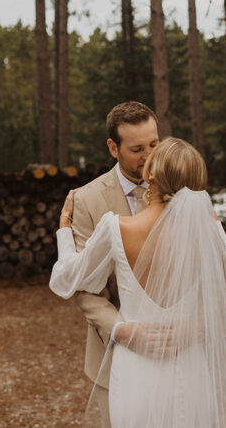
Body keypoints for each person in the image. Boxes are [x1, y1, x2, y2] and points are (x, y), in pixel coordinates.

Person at [50, 137, 226, 427]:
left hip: (136, 373)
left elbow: (64, 280)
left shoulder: (116, 228)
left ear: (151, 175)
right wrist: (214, 224)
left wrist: (64, 231)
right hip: (192, 369)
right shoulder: (205, 232)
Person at [65, 101, 161, 426]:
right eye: (137, 149)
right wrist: (125, 331)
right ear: (113, 148)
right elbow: (84, 289)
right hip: (115, 357)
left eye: (154, 144)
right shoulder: (87, 200)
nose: (149, 155)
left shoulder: (181, 191)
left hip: (174, 354)